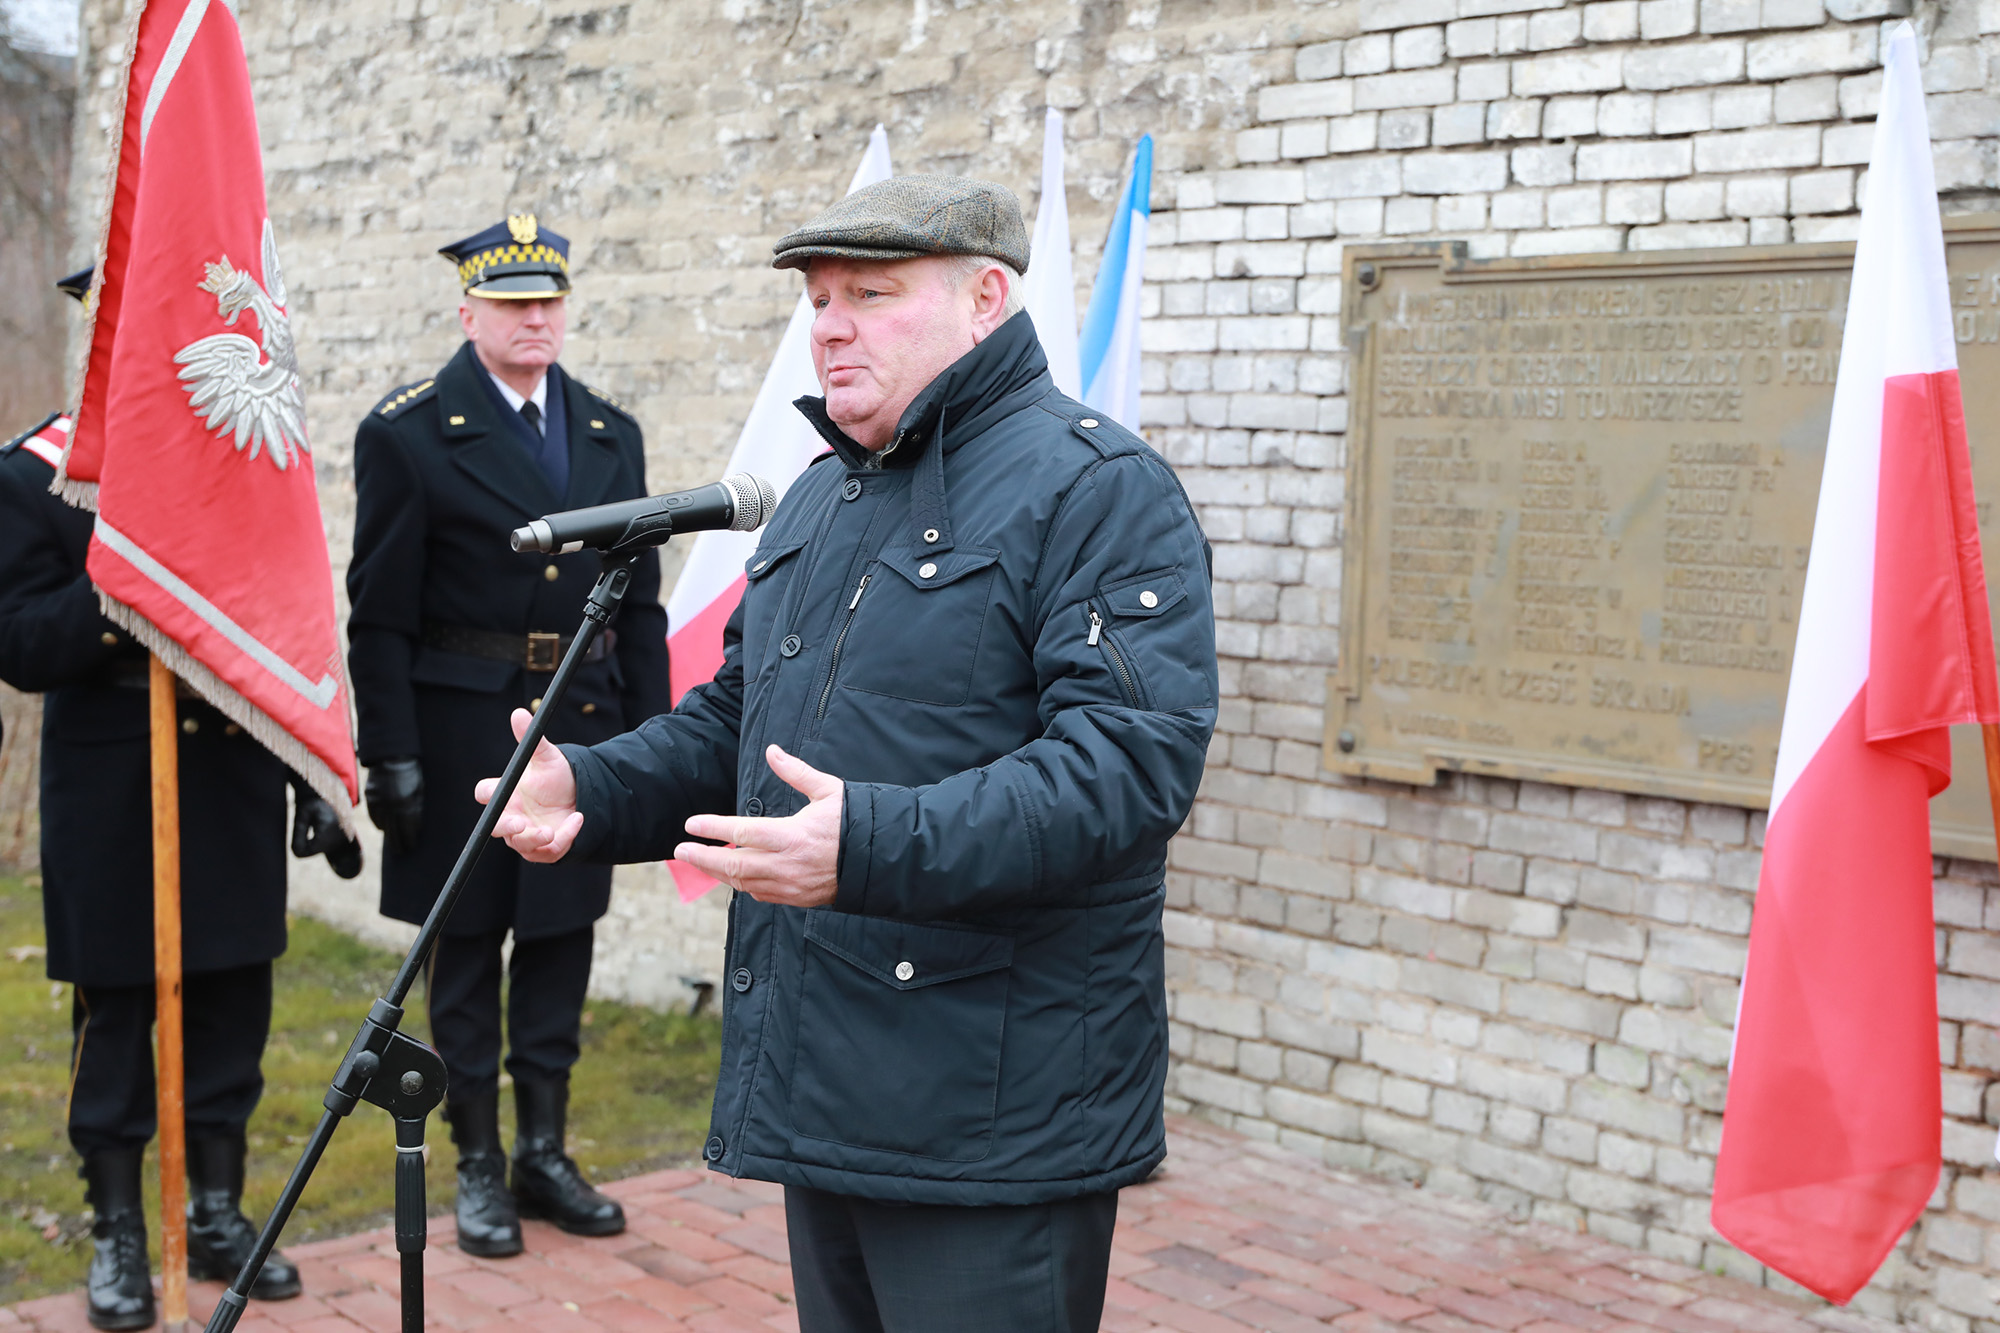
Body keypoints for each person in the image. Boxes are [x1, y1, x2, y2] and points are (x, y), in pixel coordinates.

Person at [480, 177, 1218, 1331]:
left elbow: (1125, 768)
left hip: (993, 1104)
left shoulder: (1098, 489)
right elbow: (739, 721)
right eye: (819, 298)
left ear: (985, 299)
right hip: (827, 1074)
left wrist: (866, 844)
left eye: (870, 294)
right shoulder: (822, 493)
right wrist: (591, 782)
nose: (829, 325)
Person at [0, 267, 359, 1331]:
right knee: (116, 1014)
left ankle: (215, 1210)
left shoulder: (239, 457)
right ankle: (117, 1225)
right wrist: (125, 575)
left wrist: (310, 775)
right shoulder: (32, 475)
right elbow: (21, 646)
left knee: (231, 1006)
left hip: (229, 772)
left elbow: (285, 626)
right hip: (111, 780)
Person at [346, 216, 672, 1258]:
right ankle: (478, 1160)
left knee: (560, 942)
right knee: (466, 953)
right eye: (512, 302)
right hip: (461, 733)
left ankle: (544, 1151)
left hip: (583, 723)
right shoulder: (407, 433)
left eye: (549, 300)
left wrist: (658, 749)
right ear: (468, 313)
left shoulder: (612, 432)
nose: (536, 318)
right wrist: (389, 751)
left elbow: (642, 610)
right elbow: (379, 616)